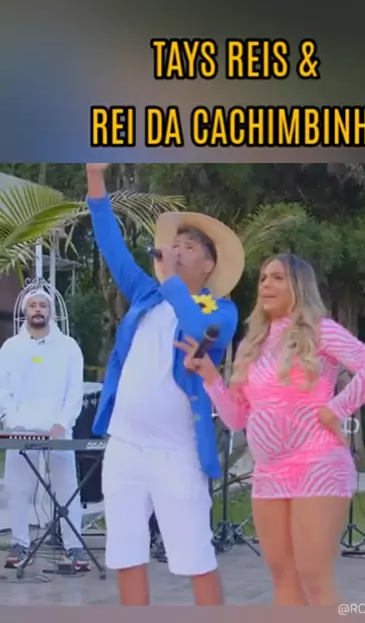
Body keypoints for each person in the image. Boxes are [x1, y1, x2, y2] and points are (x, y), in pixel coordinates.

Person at [176, 253, 365, 606]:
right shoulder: (252, 344)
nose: (266, 284)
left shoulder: (320, 330)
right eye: (263, 278)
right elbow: (236, 419)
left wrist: (335, 409)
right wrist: (211, 377)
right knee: (283, 577)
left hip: (317, 464)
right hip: (269, 473)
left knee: (313, 576)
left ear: (299, 287)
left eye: (277, 277)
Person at [85, 163, 244, 606]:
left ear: (209, 264)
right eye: (174, 245)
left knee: (195, 556)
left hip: (177, 452)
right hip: (125, 446)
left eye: (188, 247)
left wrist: (173, 280)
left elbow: (198, 330)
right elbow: (110, 243)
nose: (175, 250)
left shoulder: (221, 310)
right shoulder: (145, 294)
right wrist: (95, 177)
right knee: (127, 553)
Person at [0, 289, 88, 570]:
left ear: (50, 312)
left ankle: (74, 548)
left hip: (58, 429)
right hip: (20, 429)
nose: (38, 309)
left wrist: (63, 423)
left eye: (42, 305)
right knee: (17, 489)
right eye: (33, 305)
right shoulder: (10, 347)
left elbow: (74, 391)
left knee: (67, 488)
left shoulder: (69, 347)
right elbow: (3, 389)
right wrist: (12, 422)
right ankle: (20, 544)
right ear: (25, 311)